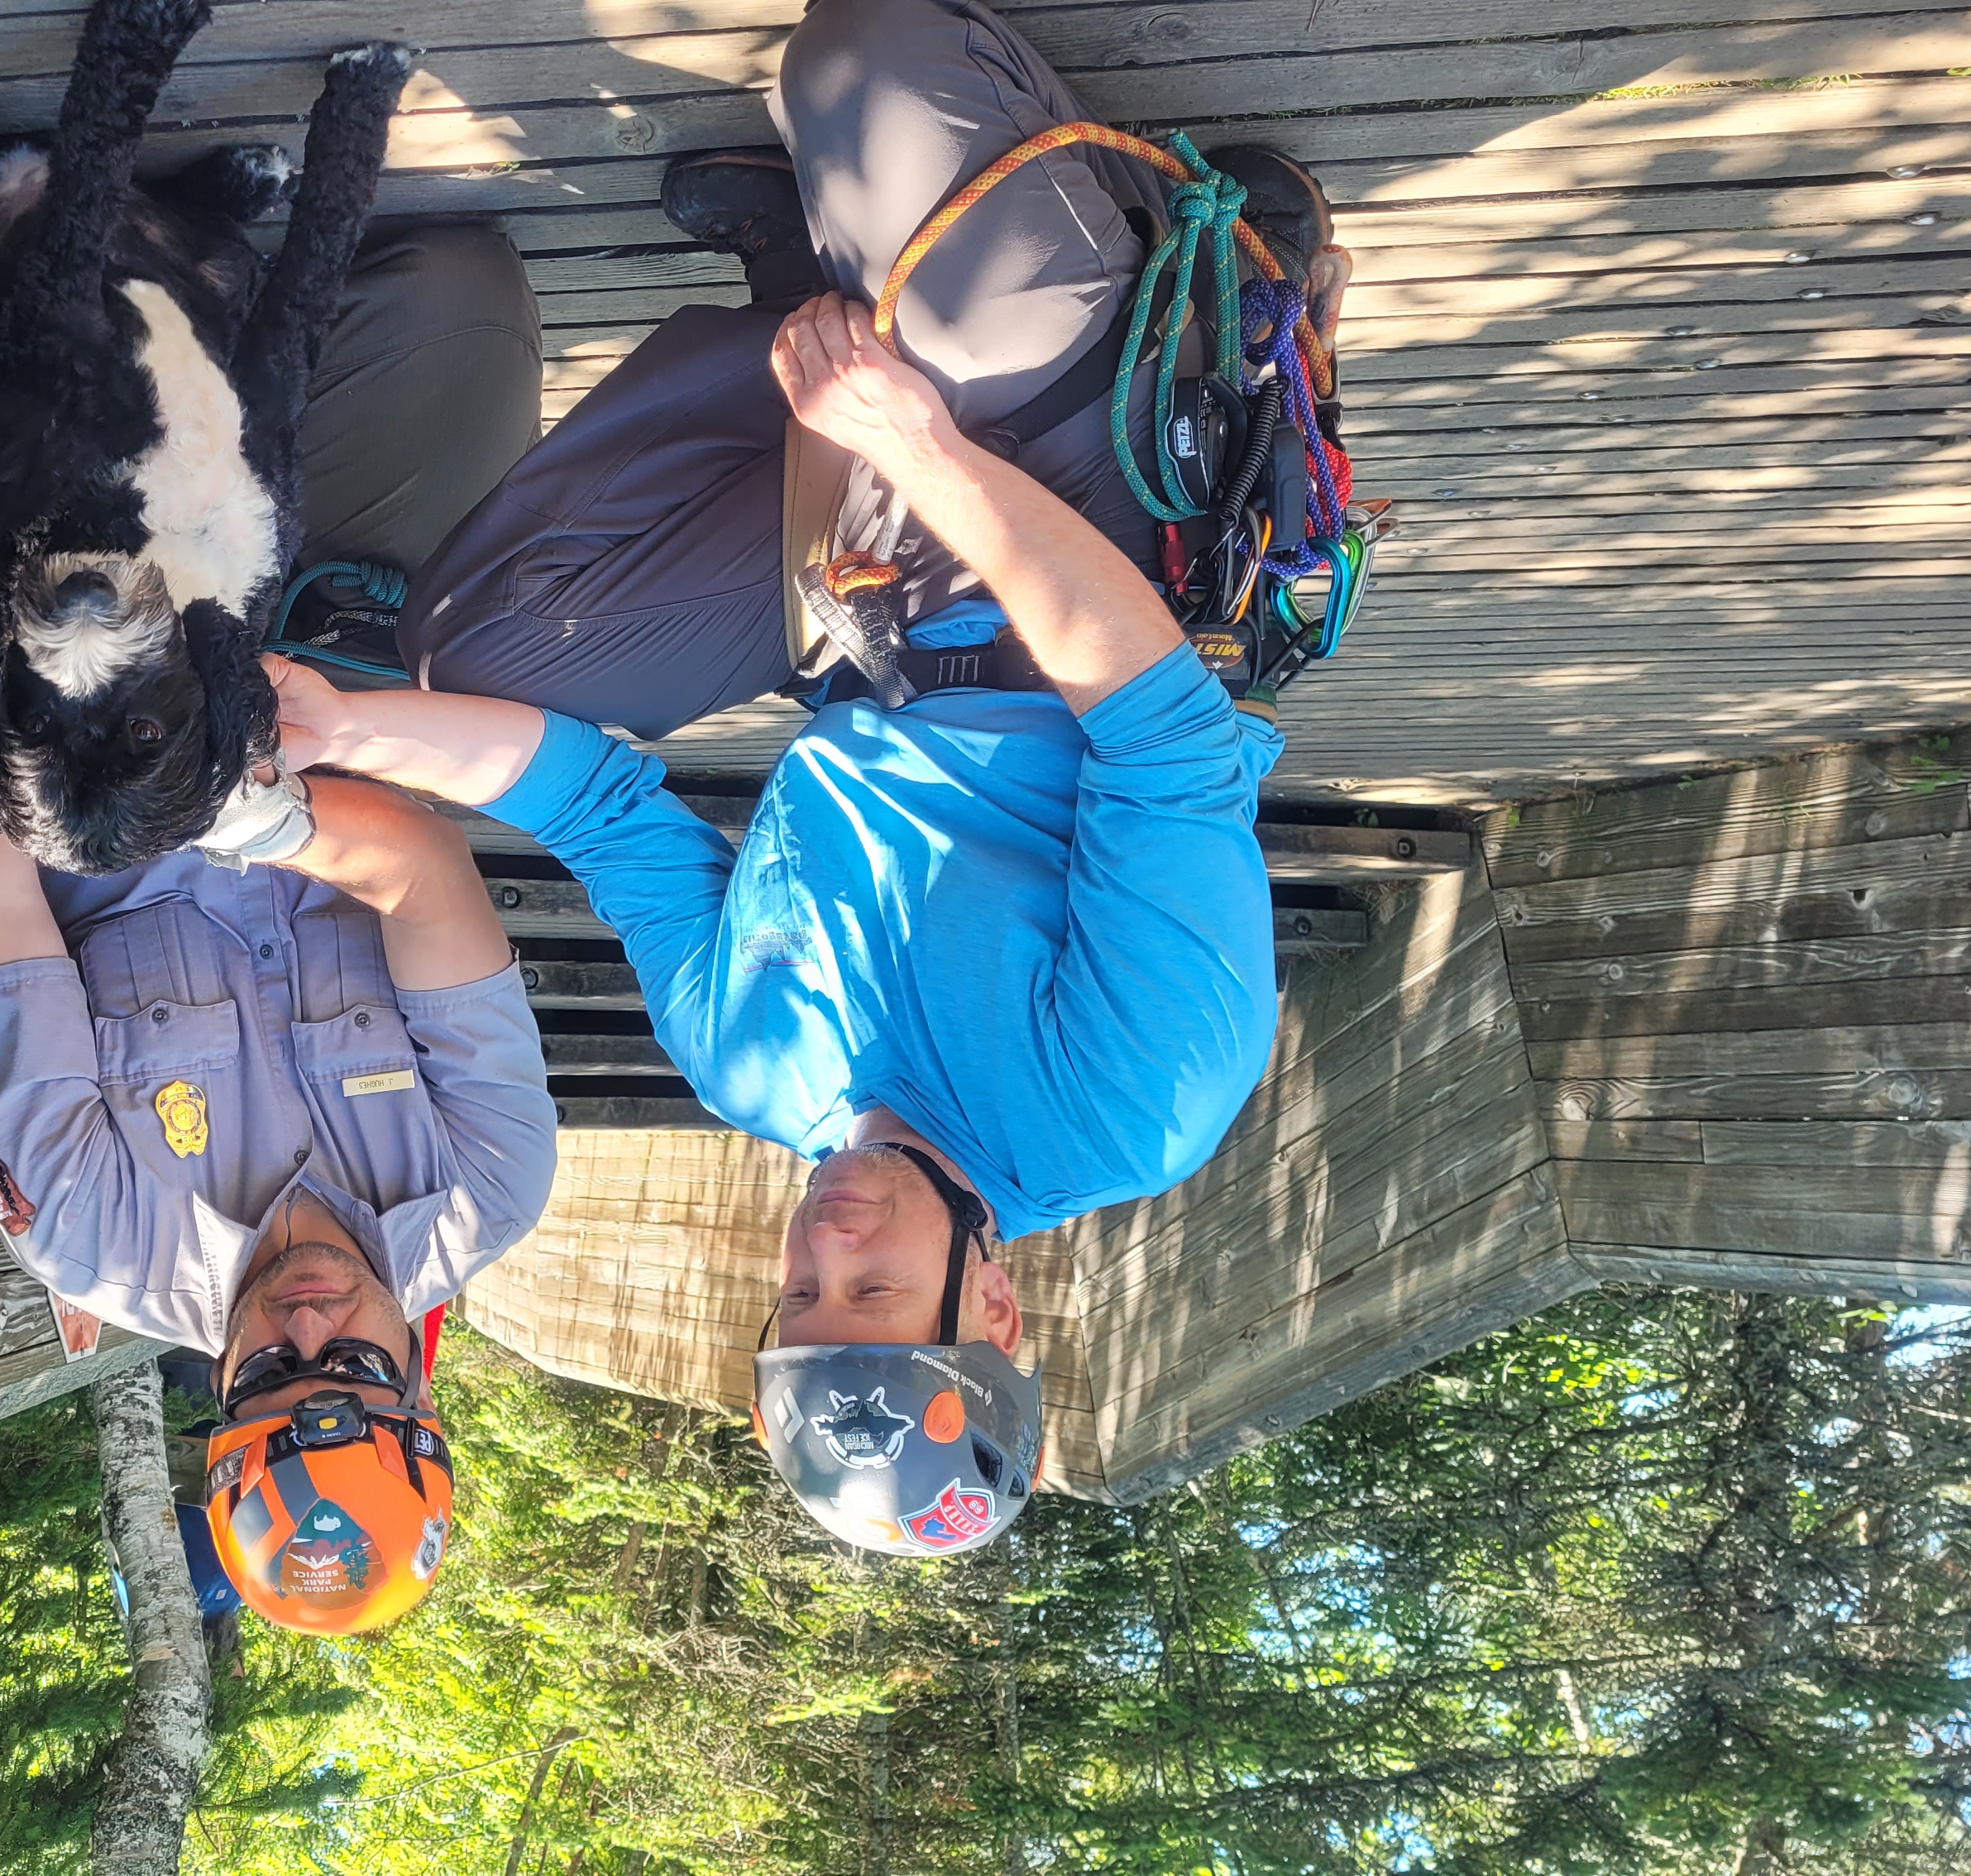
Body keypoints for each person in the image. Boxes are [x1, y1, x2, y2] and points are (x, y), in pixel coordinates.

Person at [262, 0, 1351, 1560]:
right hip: (1089, 566)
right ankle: (1155, 283)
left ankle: (818, 289)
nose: (826, 1246)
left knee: (477, 654)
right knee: (859, 62)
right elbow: (1163, 728)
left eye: (797, 1297)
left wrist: (344, 733)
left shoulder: (747, 1071)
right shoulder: (1136, 1101)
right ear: (997, 1304)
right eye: (873, 1293)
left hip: (859, 624)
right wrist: (921, 449)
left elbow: (595, 804)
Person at [0, 219, 559, 1633]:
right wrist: (211, 794)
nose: (311, 1332)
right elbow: (424, 873)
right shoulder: (487, 1189)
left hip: (57, 696)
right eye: (354, 1376)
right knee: (465, 296)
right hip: (311, 667)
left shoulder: (91, 1234)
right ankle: (183, 306)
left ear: (220, 1399)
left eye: (274, 1380)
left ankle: (108, 303)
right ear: (416, 1388)